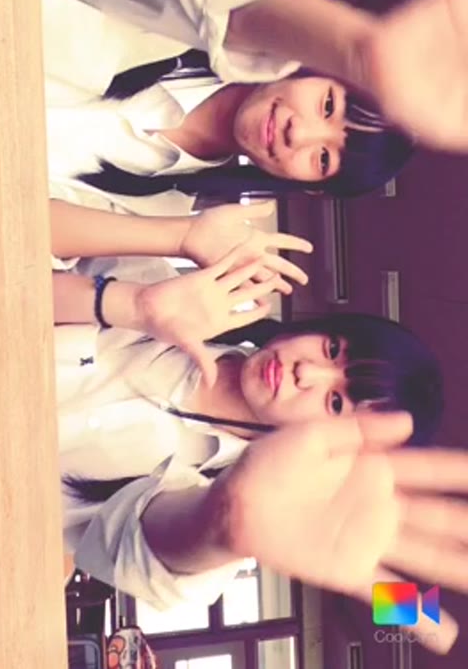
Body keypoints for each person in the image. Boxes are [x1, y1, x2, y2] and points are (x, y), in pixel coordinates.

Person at [55, 253, 468, 656]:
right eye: (332, 349)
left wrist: (221, 521)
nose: (306, 371)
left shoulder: (223, 492)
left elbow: (135, 545)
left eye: (335, 402)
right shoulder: (169, 291)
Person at [44, 0, 468, 261]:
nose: (299, 134)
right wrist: (358, 52)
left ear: (311, 186)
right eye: (327, 105)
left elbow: (34, 236)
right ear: (320, 72)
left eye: (323, 158)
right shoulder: (186, 27)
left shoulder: (159, 206)